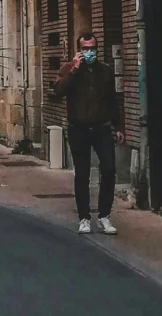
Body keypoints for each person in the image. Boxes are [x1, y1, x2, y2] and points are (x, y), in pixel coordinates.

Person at [51, 30, 120, 234]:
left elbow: (113, 100)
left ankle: (104, 215)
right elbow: (58, 91)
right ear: (78, 50)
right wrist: (74, 70)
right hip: (78, 129)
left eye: (92, 48)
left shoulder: (105, 71)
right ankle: (84, 218)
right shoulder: (68, 69)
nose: (89, 52)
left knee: (109, 169)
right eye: (85, 49)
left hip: (101, 128)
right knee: (82, 173)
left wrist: (119, 126)